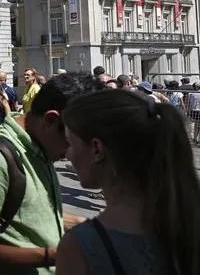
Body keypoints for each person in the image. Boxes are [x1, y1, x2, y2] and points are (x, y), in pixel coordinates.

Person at [0, 72, 105, 274]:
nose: (70, 153)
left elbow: (29, 215)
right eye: (71, 141)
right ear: (51, 120)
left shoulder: (39, 146)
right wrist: (59, 255)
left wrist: (86, 225)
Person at [56, 89, 200, 275]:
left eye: (71, 144)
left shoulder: (81, 246)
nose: (67, 154)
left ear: (97, 149)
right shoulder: (187, 223)